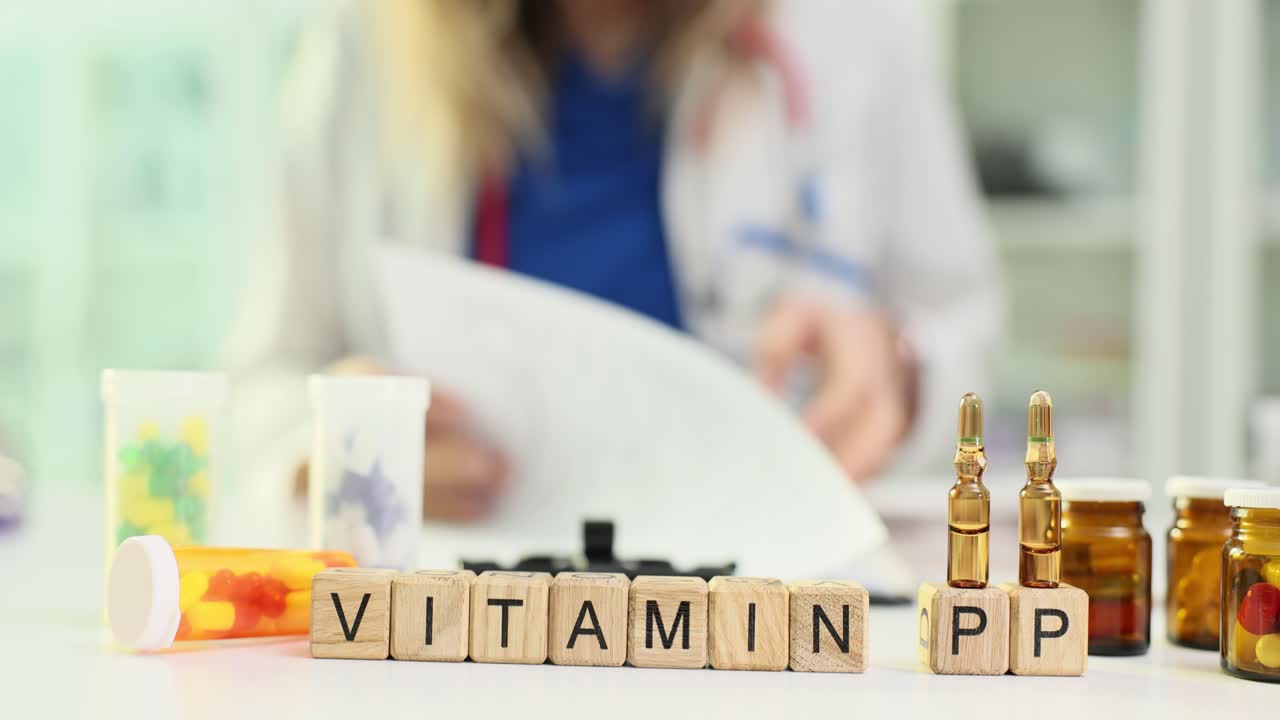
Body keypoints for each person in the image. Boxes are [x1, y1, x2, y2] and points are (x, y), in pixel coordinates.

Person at [227, 0, 1002, 523]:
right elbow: (264, 380)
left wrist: (898, 366)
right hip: (470, 617)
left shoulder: (844, 34)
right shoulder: (367, 48)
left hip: (759, 606)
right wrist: (328, 448)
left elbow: (965, 328)